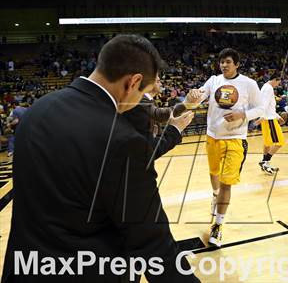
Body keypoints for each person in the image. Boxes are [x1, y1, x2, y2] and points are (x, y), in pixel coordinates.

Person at [2, 35, 199, 283]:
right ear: (133, 82)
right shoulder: (123, 140)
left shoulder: (38, 109)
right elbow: (153, 246)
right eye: (144, 92)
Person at [186, 48, 263, 247]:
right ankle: (215, 196)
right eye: (221, 62)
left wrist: (242, 115)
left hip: (236, 138)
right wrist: (194, 94)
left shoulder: (249, 84)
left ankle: (218, 226)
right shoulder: (213, 81)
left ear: (237, 64)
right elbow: (200, 95)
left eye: (228, 61)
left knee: (226, 182)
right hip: (213, 136)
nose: (224, 65)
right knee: (214, 174)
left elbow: (261, 108)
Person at [256, 75, 285, 174]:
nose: (278, 85)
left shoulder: (265, 87)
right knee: (279, 142)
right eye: (278, 82)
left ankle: (265, 163)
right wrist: (262, 116)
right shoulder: (268, 88)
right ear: (274, 80)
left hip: (268, 118)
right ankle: (266, 162)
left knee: (267, 143)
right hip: (269, 119)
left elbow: (268, 106)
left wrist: (277, 116)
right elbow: (264, 104)